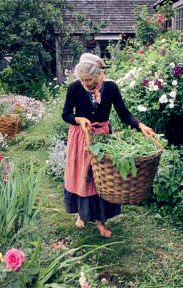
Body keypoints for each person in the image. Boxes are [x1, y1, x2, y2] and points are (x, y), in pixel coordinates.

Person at [62, 53, 154, 237]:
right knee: (82, 177)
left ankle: (100, 223)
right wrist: (78, 119)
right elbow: (66, 114)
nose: (85, 84)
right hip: (81, 137)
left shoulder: (110, 88)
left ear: (98, 75)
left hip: (102, 139)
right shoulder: (74, 88)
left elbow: (123, 113)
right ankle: (81, 214)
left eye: (88, 80)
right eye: (82, 80)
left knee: (100, 180)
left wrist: (140, 125)